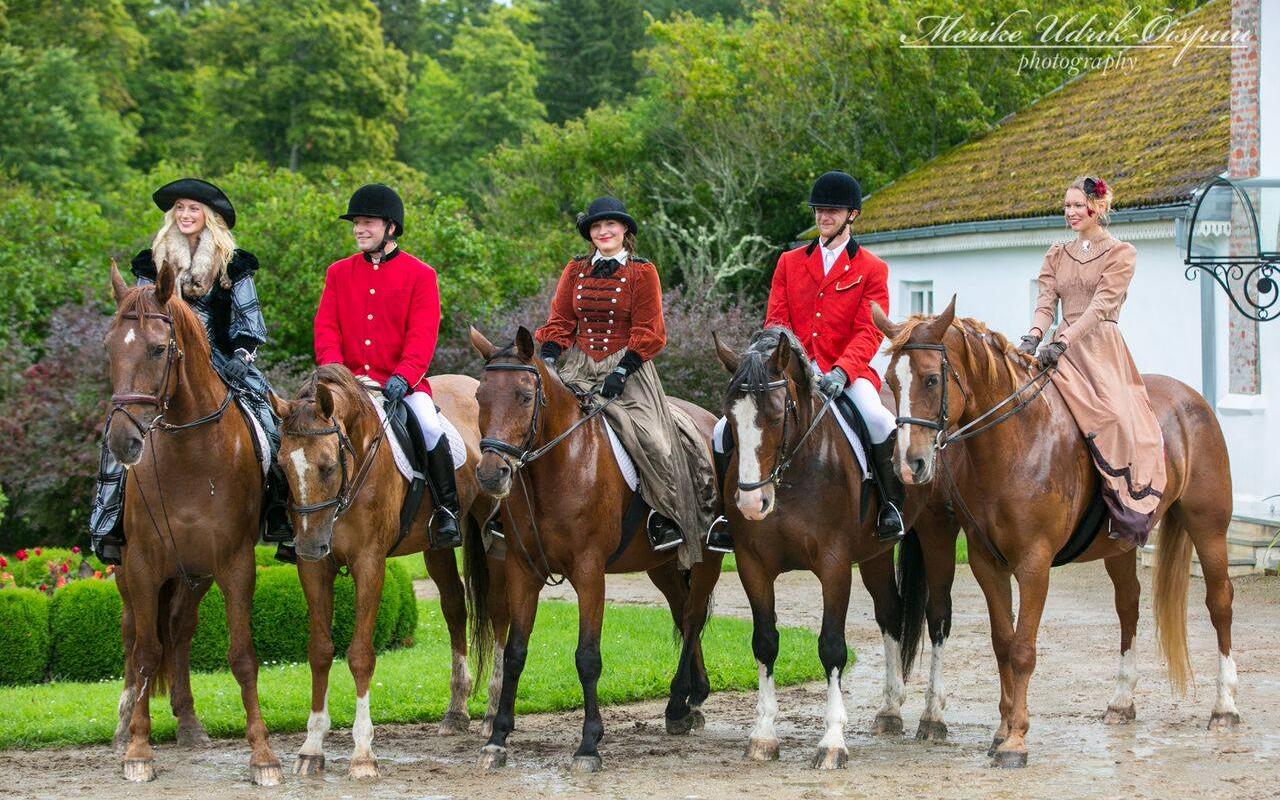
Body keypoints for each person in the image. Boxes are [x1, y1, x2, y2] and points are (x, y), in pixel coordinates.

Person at [89, 178, 291, 564]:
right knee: (118, 428)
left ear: (208, 217)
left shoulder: (234, 262)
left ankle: (282, 516)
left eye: (193, 209)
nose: (185, 215)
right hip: (163, 362)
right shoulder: (150, 261)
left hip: (225, 363)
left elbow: (250, 322)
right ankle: (109, 522)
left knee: (274, 425)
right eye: (179, 208)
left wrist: (242, 354)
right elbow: (140, 318)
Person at [710, 171, 905, 549]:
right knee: (722, 430)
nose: (823, 217)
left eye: (832, 211)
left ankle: (889, 508)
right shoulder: (790, 262)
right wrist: (789, 364)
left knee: (879, 420)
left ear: (852, 215)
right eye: (819, 211)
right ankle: (725, 515)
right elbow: (776, 322)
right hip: (791, 372)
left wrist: (842, 371)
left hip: (847, 373)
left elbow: (869, 330)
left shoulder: (872, 268)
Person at [535, 196, 716, 557]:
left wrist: (622, 369)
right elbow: (561, 320)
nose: (603, 231)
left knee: (656, 442)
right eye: (597, 227)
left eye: (610, 225)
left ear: (624, 231)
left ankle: (666, 519)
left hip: (629, 370)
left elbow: (650, 330)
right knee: (537, 423)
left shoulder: (642, 271)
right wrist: (551, 356)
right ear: (590, 234)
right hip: (579, 366)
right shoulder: (575, 269)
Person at [1017, 176, 1166, 544]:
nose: (1070, 212)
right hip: (1058, 345)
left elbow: (1101, 307)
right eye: (1066, 206)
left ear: (1097, 208)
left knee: (1115, 417)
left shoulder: (1120, 253)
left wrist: (1065, 339)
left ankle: (1123, 509)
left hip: (1099, 347)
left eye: (1077, 206)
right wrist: (1034, 336)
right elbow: (1046, 302)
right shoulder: (1056, 253)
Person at [313, 183, 461, 549]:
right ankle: (293, 521)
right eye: (356, 224)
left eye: (367, 223)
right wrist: (336, 376)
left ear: (391, 228)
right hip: (345, 384)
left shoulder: (420, 275)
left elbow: (423, 335)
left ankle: (446, 512)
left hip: (399, 384)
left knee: (428, 426)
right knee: (302, 428)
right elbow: (326, 328)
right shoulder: (338, 272)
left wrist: (404, 377)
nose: (359, 229)